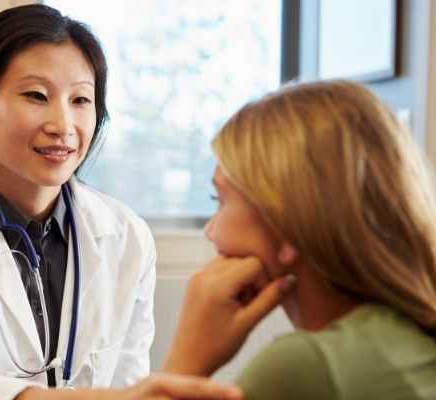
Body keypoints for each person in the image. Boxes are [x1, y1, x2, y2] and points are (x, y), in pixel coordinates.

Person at [0, 4, 293, 400]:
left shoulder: (126, 236)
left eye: (80, 100)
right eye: (36, 95)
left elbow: (128, 379)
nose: (63, 125)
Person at [162, 80, 436, 399]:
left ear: (287, 225)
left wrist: (185, 361)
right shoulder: (406, 336)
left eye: (221, 201)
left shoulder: (304, 367)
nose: (211, 231)